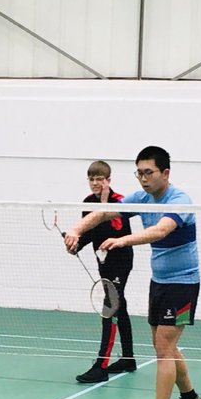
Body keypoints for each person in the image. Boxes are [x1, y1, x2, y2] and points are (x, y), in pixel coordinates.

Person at [64, 145, 201, 399]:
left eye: (148, 172)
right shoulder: (142, 198)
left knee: (163, 348)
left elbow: (160, 231)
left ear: (165, 173)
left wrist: (123, 240)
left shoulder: (179, 200)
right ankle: (190, 398)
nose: (143, 179)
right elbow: (103, 213)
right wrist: (76, 229)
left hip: (182, 283)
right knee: (164, 343)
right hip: (161, 281)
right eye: (139, 173)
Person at [69, 160, 137, 384]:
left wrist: (105, 202)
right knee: (120, 306)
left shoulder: (120, 202)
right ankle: (128, 358)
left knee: (110, 308)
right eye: (92, 179)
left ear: (108, 180)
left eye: (100, 179)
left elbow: (116, 229)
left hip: (121, 260)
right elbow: (89, 231)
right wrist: (75, 244)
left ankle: (101, 365)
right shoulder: (88, 202)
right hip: (103, 262)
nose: (95, 183)